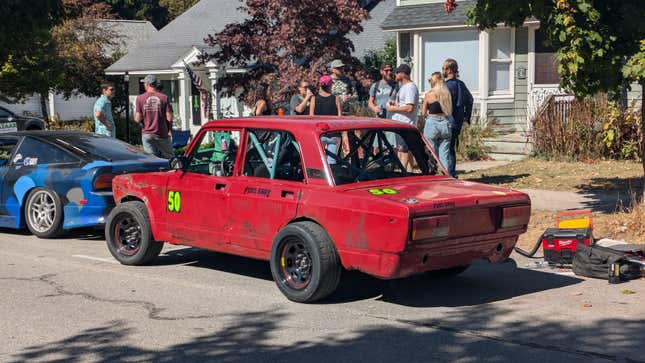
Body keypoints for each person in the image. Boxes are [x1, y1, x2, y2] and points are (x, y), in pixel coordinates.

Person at [443, 58, 473, 178]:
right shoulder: (461, 84)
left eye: (443, 68)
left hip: (448, 121)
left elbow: (443, 103)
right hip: (458, 121)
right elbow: (470, 100)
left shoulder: (447, 86)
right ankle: (452, 173)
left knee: (446, 148)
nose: (442, 71)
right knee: (450, 147)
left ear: (449, 70)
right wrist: (467, 116)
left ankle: (449, 174)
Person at [386, 64, 419, 172]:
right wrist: (394, 102)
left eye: (396, 72)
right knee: (405, 151)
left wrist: (393, 108)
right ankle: (409, 174)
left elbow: (409, 108)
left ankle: (402, 172)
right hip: (400, 123)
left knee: (403, 150)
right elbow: (403, 104)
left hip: (406, 125)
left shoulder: (410, 87)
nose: (394, 74)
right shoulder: (403, 87)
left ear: (402, 74)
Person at [135, 75, 174, 159]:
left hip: (147, 134)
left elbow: (137, 119)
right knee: (170, 159)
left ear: (148, 84)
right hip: (162, 134)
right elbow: (169, 117)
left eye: (144, 83)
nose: (144, 85)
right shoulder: (164, 97)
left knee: (151, 159)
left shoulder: (140, 98)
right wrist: (169, 129)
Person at [422, 72, 453, 174]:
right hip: (445, 122)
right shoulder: (447, 94)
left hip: (432, 123)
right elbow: (449, 111)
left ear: (433, 81)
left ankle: (432, 173)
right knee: (444, 153)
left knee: (431, 151)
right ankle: (446, 174)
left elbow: (423, 113)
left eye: (430, 80)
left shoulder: (429, 95)